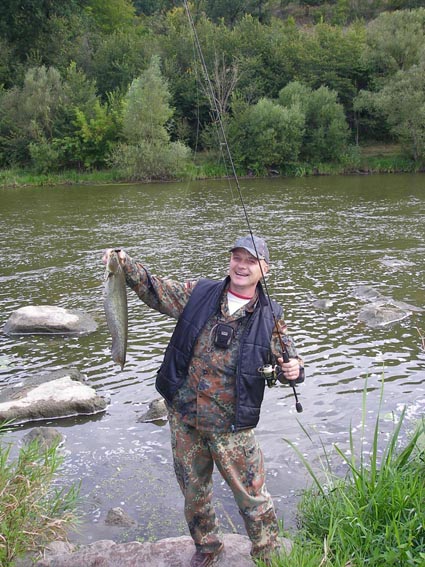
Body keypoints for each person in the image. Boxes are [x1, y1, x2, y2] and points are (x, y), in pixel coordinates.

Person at [103, 235, 304, 566]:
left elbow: (289, 364)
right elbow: (154, 289)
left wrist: (293, 369)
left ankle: (267, 554)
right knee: (193, 492)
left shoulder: (271, 317)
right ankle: (208, 547)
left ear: (264, 269)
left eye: (251, 261)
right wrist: (124, 263)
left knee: (252, 497)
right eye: (237, 258)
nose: (242, 266)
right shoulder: (199, 293)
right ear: (230, 261)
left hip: (232, 425)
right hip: (185, 416)